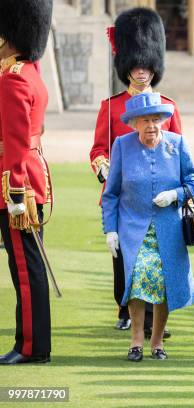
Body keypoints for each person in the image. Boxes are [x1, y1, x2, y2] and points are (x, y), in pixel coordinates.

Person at [90, 7, 182, 335]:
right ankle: (127, 309)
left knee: (158, 258)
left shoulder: (168, 107)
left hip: (159, 197)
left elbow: (178, 150)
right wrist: (105, 171)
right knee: (125, 259)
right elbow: (99, 149)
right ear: (126, 66)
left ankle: (152, 318)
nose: (141, 71)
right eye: (136, 65)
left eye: (146, 66)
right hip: (125, 196)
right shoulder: (112, 106)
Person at [102, 92, 194, 362]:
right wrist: (110, 229)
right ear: (134, 123)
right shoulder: (122, 145)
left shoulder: (176, 144)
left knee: (164, 283)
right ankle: (135, 341)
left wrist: (175, 195)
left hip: (169, 228)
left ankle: (157, 342)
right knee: (137, 281)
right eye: (145, 120)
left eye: (156, 119)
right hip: (133, 228)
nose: (152, 126)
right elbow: (110, 194)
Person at [0, 0, 54, 365]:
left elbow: (17, 141)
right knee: (25, 265)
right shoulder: (30, 71)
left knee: (24, 266)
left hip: (17, 185)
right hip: (29, 178)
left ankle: (32, 347)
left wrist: (16, 194)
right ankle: (30, 342)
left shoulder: (14, 77)